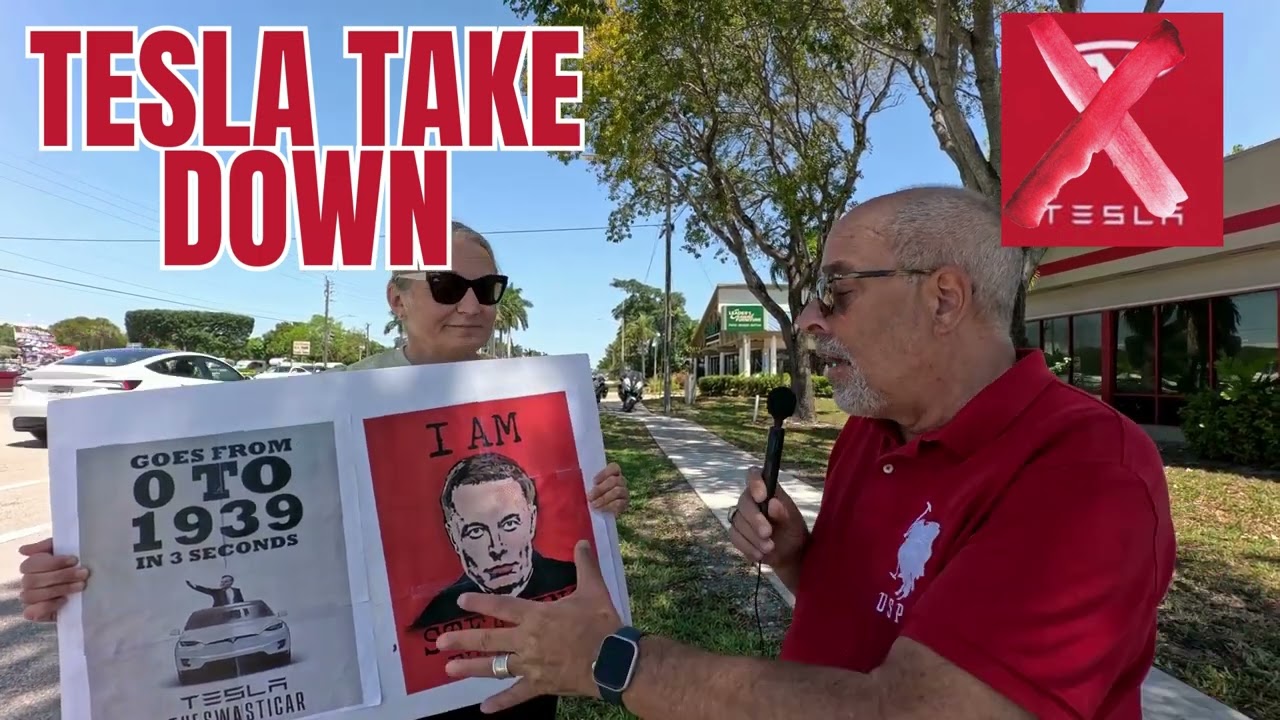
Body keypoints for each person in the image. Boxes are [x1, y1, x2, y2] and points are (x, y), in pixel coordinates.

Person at [430, 187, 1176, 720]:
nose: (812, 317)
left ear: (944, 298)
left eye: (836, 290)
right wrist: (798, 557)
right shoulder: (872, 430)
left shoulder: (1087, 475)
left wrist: (614, 658)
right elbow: (867, 613)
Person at [16, 221, 632, 720]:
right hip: (394, 681)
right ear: (398, 297)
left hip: (519, 663)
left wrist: (597, 497)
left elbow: (566, 516)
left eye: (486, 288)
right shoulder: (337, 398)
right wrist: (84, 562)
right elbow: (237, 528)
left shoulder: (534, 399)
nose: (471, 305)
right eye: (446, 286)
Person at [412, 452, 578, 631]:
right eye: (476, 531)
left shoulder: (576, 581)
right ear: (454, 538)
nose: (497, 548)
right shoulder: (434, 617)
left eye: (509, 524)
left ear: (532, 521)